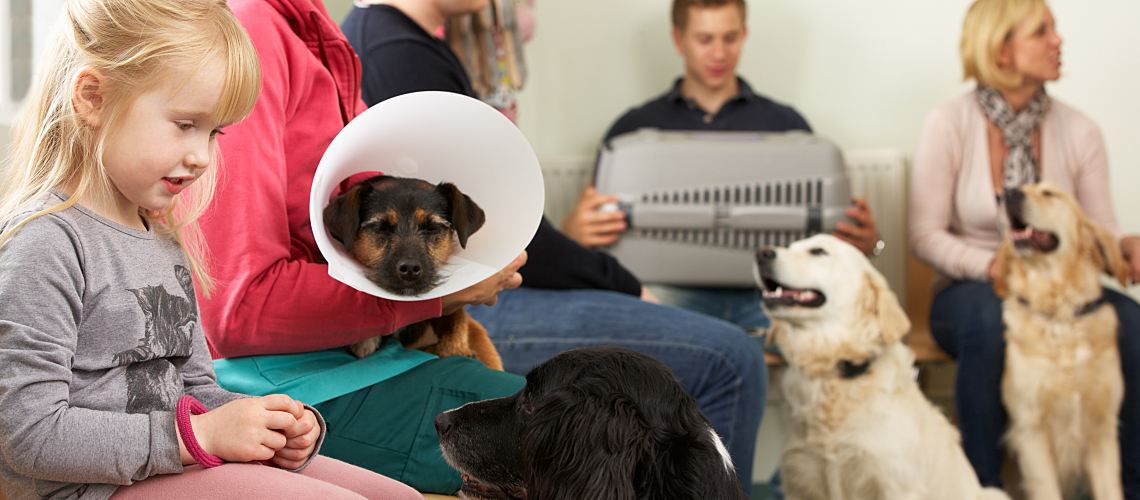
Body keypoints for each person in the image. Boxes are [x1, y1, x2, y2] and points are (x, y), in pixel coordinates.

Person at [342, 0, 768, 492]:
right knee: (731, 358)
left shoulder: (403, 42)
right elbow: (525, 241)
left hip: (489, 285)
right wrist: (626, 285)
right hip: (478, 298)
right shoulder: (397, 51)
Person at [0, 1, 419, 499]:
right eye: (185, 125)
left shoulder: (161, 237)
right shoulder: (45, 242)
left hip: (168, 463)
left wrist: (266, 430)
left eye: (215, 133)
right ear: (92, 98)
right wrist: (199, 436)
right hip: (88, 489)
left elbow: (195, 389)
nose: (202, 157)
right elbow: (26, 435)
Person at [196, 0, 530, 496]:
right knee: (601, 436)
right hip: (286, 389)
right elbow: (235, 310)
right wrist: (437, 295)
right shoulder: (253, 33)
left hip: (357, 361)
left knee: (604, 415)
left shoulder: (316, 32)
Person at [910, 0, 1140, 494]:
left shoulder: (1081, 130)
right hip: (971, 287)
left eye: (1054, 30)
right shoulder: (948, 123)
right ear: (1002, 49)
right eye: (1042, 31)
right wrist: (993, 265)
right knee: (990, 325)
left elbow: (1097, 228)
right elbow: (925, 235)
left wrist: (1125, 247)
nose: (1058, 41)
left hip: (1060, 286)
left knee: (1135, 325)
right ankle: (981, 484)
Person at [579, 0, 882, 331]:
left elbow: (818, 245)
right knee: (629, 324)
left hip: (770, 294)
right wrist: (576, 231)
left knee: (845, 326)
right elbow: (597, 230)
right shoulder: (633, 131)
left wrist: (868, 244)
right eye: (705, 39)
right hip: (670, 293)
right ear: (679, 40)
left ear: (745, 35)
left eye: (730, 37)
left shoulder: (786, 125)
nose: (719, 53)